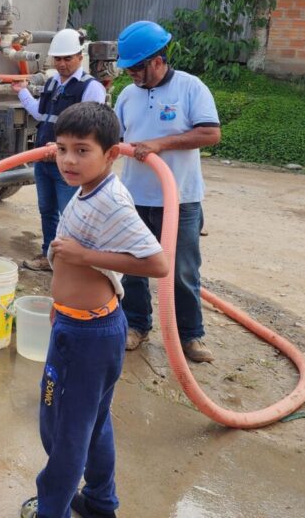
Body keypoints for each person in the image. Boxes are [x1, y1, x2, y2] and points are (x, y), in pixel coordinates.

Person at [20, 102, 168, 518]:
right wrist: (59, 303)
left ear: (112, 153)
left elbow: (158, 263)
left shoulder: (113, 203)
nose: (68, 159)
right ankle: (101, 502)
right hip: (83, 324)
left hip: (86, 337)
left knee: (64, 431)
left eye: (82, 150)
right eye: (62, 148)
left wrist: (84, 255)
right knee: (93, 422)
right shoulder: (90, 190)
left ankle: (53, 511)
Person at [113, 21, 221, 363]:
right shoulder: (128, 94)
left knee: (182, 271)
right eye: (127, 69)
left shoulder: (191, 88)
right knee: (132, 266)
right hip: (135, 196)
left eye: (135, 68)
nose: (131, 74)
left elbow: (210, 134)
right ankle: (136, 325)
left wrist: (161, 144)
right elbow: (114, 137)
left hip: (180, 199)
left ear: (157, 60)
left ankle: (190, 336)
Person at [12, 28, 106, 271]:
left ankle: (75, 263)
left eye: (67, 58)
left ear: (79, 58)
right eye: (58, 59)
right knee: (47, 210)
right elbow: (41, 114)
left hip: (70, 165)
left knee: (71, 213)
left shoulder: (91, 87)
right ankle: (49, 256)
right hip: (44, 160)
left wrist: (64, 148)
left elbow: (90, 128)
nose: (62, 64)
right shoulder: (53, 83)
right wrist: (22, 91)